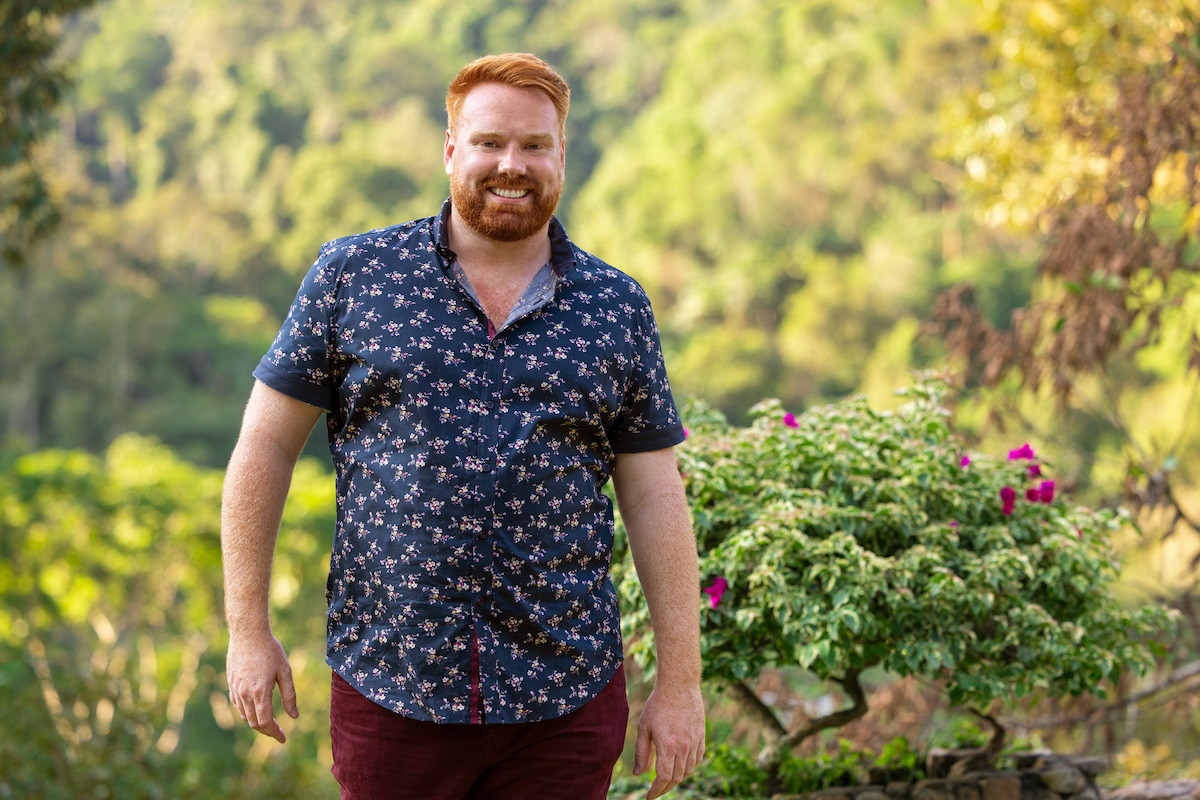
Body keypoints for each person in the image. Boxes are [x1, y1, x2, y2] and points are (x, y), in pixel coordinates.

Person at [221, 52, 705, 800]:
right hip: (393, 690)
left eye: (535, 146)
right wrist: (247, 633)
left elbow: (653, 495)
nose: (511, 164)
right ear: (451, 151)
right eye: (489, 142)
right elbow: (264, 447)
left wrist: (681, 685)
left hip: (565, 702)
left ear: (561, 158)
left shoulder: (617, 306)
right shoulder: (355, 275)